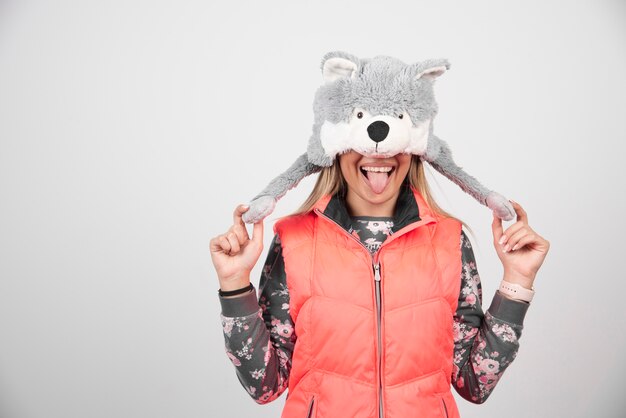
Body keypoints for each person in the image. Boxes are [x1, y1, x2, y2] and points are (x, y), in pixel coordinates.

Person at [210, 151, 549, 418]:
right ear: (336, 148)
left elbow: (475, 383)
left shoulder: (449, 240)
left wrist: (517, 282)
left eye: (393, 140)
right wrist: (235, 284)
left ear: (416, 148)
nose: (378, 151)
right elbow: (264, 386)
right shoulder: (295, 240)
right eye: (363, 136)